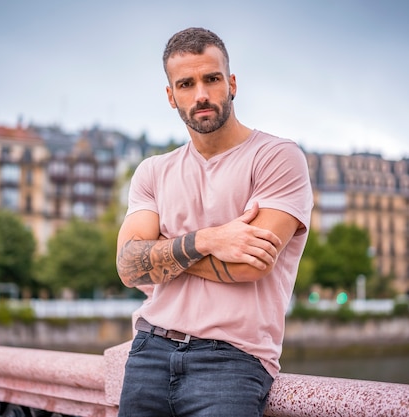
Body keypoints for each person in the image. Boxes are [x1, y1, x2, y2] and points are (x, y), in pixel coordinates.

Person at [116, 27, 313, 417]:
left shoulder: (277, 158)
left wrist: (165, 253)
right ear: (171, 96)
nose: (201, 94)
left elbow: (248, 264)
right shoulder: (153, 171)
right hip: (149, 351)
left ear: (232, 83)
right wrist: (208, 239)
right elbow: (128, 265)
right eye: (186, 84)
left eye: (211, 79)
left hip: (232, 361)